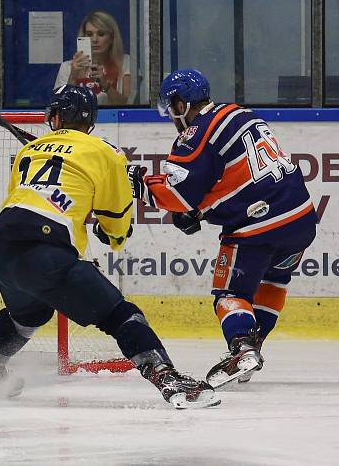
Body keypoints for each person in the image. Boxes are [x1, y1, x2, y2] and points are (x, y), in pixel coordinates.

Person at [0, 84, 218, 409]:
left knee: (28, 314)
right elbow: (116, 219)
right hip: (45, 251)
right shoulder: (105, 152)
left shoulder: (31, 150)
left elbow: (23, 199)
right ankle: (169, 379)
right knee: (121, 315)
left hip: (0, 247)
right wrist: (112, 236)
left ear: (56, 116)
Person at [128, 69, 317, 388]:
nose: (172, 117)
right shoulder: (240, 113)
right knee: (274, 280)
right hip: (301, 219)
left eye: (171, 107)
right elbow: (240, 177)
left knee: (230, 294)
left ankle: (242, 348)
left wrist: (140, 183)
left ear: (179, 103)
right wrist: (201, 211)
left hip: (258, 226)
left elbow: (176, 195)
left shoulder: (197, 132)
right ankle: (254, 346)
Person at [54, 11, 131, 105]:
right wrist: (73, 76)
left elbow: (129, 107)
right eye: (89, 34)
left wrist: (105, 85)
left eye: (101, 34)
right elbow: (60, 107)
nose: (94, 40)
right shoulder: (67, 67)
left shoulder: (125, 63)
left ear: (111, 38)